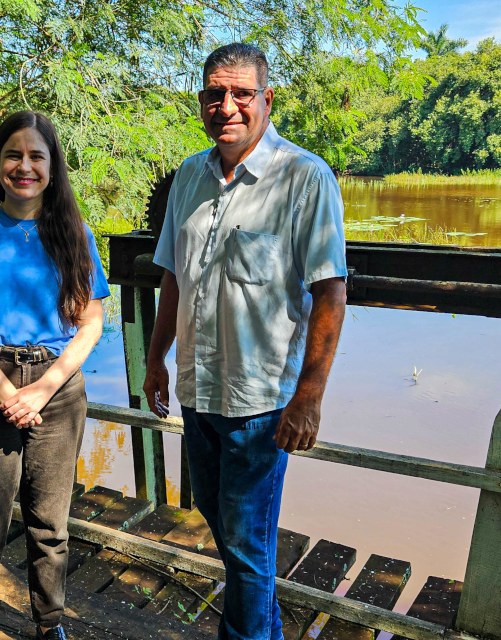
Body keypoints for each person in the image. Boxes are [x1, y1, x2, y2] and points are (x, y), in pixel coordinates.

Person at [142, 43, 348, 640]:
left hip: (261, 404)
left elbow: (330, 293)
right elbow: (173, 277)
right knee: (222, 524)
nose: (226, 106)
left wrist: (307, 398)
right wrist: (156, 360)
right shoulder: (188, 175)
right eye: (214, 93)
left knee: (248, 544)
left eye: (241, 94)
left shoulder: (303, 177)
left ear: (266, 100)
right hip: (199, 390)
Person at [0, 110, 110, 640]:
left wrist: (43, 387)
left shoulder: (73, 233)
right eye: (14, 155)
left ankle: (49, 624)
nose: (25, 166)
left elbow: (91, 323)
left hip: (56, 390)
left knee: (50, 527)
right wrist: (9, 391)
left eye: (37, 156)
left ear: (53, 167)